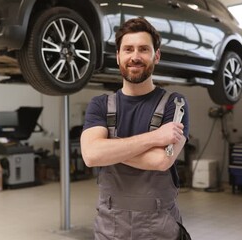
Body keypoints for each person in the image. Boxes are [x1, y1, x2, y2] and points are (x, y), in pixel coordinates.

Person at [80, 17, 190, 240]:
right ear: (118, 56)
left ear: (156, 56)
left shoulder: (175, 104)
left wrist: (108, 150)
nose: (135, 57)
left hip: (161, 230)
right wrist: (155, 137)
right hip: (110, 230)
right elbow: (91, 156)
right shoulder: (100, 104)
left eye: (143, 49)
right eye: (128, 49)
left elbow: (161, 160)